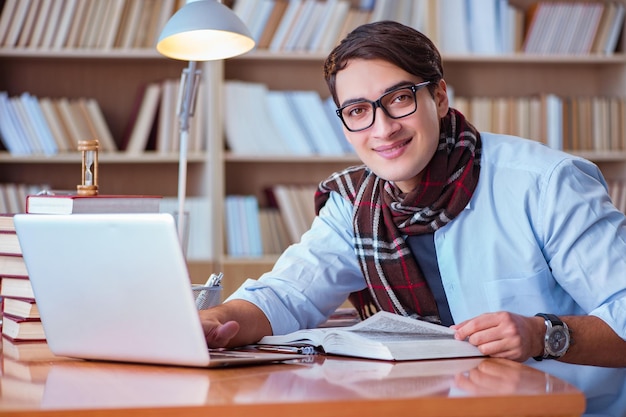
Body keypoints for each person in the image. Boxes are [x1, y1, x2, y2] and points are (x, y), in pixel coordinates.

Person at [200, 21, 626, 367]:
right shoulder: (354, 202)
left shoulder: (546, 183)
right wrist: (214, 322)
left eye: (399, 99)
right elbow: (286, 296)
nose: (383, 129)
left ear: (439, 97)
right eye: (358, 111)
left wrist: (542, 335)